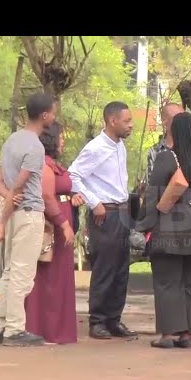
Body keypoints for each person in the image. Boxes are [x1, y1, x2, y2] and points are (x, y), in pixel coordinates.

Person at [136, 112, 191, 349]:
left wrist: (142, 226)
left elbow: (154, 196)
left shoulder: (166, 158)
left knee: (167, 282)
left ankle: (168, 335)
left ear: (173, 133)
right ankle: (186, 334)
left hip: (170, 230)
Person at [0, 121, 83, 344]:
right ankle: (22, 329)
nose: (63, 140)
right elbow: (45, 195)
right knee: (30, 277)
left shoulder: (47, 161)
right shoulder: (36, 158)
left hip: (49, 219)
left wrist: (71, 199)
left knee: (31, 276)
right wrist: (62, 222)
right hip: (43, 222)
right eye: (60, 136)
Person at [0, 92, 57, 347]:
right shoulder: (35, 147)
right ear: (44, 115)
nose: (54, 117)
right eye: (53, 112)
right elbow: (19, 186)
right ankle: (14, 330)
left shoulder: (12, 140)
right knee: (22, 275)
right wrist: (6, 211)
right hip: (28, 214)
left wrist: (8, 204)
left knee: (10, 272)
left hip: (14, 213)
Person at [70, 101, 138, 340]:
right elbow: (73, 175)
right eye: (127, 121)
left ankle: (114, 319)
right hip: (104, 214)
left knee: (121, 269)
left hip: (122, 212)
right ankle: (97, 320)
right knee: (105, 268)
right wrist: (93, 202)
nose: (131, 125)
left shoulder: (120, 146)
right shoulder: (96, 148)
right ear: (112, 121)